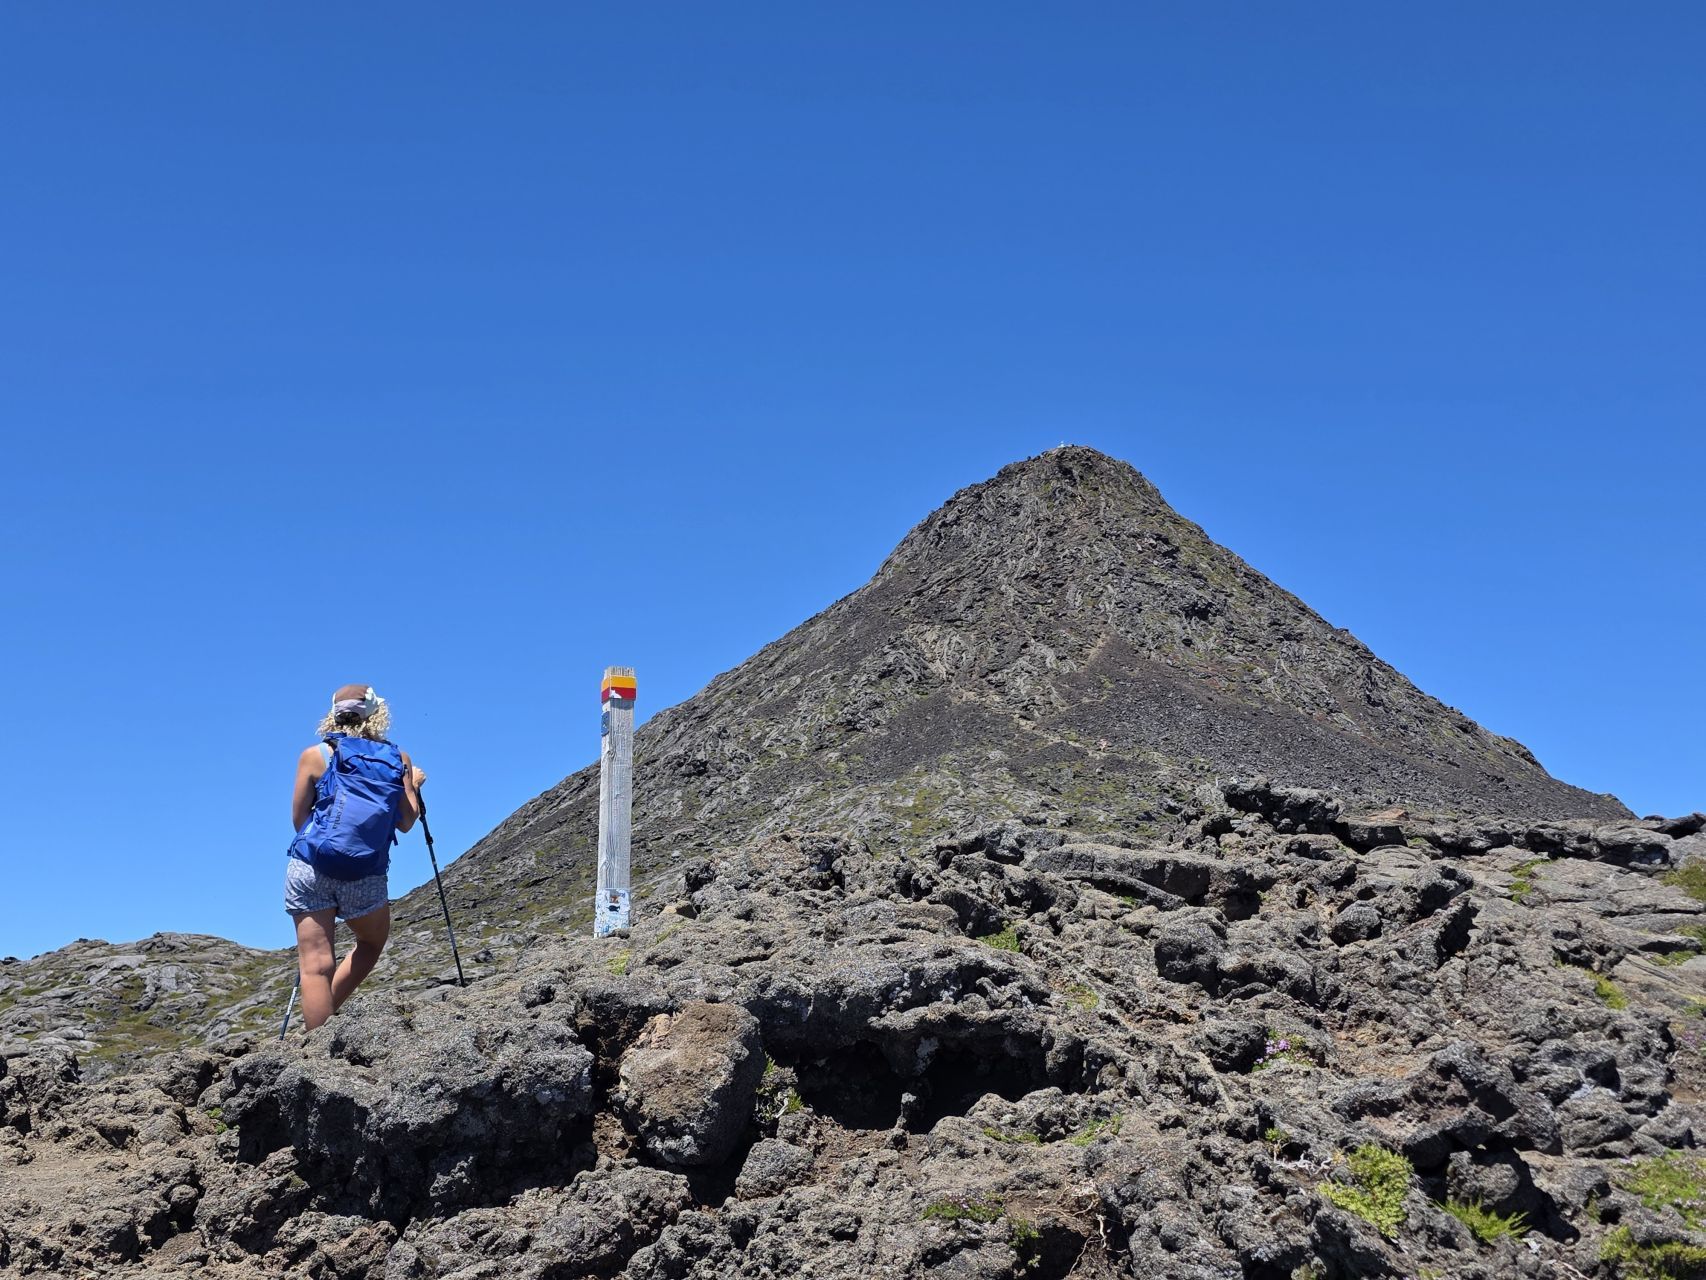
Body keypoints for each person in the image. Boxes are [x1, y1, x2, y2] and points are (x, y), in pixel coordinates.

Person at [286, 684, 425, 1030]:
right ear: (377, 713)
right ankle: (325, 1021)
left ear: (333, 715)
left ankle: (315, 1041)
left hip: (311, 865)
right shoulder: (398, 759)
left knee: (316, 966)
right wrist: (414, 785)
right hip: (365, 871)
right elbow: (407, 822)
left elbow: (299, 820)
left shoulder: (315, 755)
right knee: (371, 942)